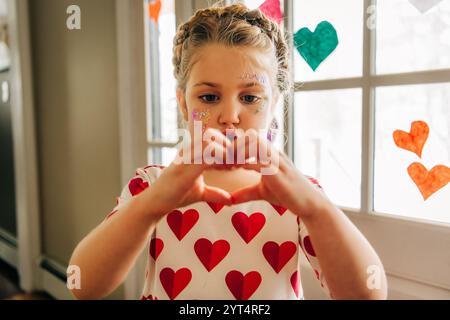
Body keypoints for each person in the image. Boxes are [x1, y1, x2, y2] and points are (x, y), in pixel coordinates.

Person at [69, 2, 387, 300]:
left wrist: (317, 210)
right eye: (209, 98)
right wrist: (149, 207)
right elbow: (81, 285)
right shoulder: (153, 185)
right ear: (184, 104)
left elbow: (367, 293)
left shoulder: (297, 194)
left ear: (274, 103)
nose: (230, 116)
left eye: (250, 98)